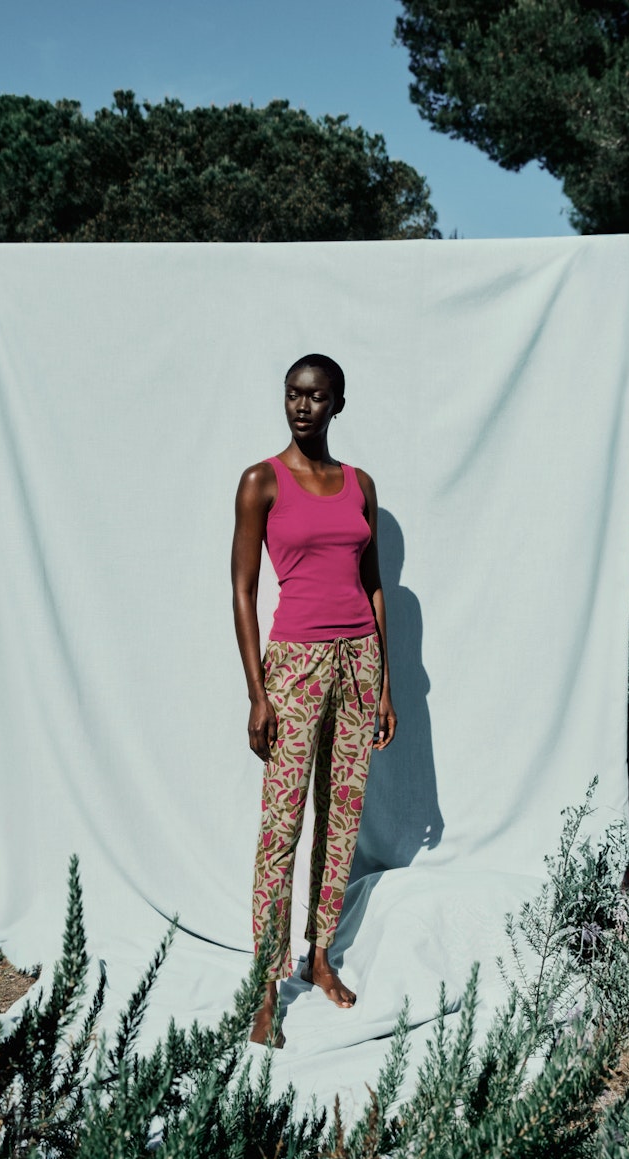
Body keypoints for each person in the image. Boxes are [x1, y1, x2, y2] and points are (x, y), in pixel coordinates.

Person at [231, 353, 397, 1046]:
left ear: (338, 404)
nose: (302, 407)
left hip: (359, 660)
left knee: (342, 817)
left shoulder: (359, 484)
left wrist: (385, 681)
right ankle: (266, 985)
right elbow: (241, 590)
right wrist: (257, 694)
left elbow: (375, 584)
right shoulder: (260, 482)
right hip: (294, 665)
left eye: (316, 396)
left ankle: (319, 956)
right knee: (282, 828)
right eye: (293, 395)